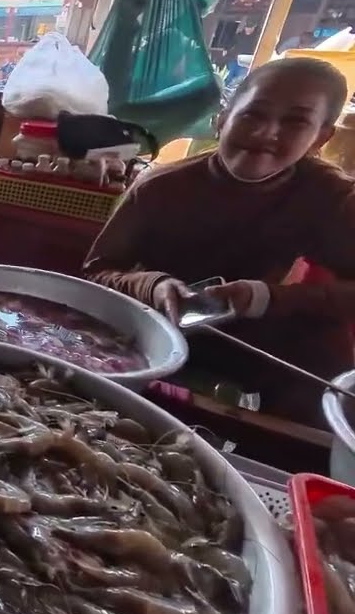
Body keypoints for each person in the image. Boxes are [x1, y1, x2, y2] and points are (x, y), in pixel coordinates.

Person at [83, 57, 355, 427]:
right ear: (222, 119)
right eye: (253, 114)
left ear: (322, 137)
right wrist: (154, 285)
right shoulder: (160, 188)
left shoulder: (333, 197)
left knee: (315, 410)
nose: (266, 133)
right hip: (165, 333)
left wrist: (265, 297)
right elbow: (97, 270)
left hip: (271, 348)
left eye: (295, 122)